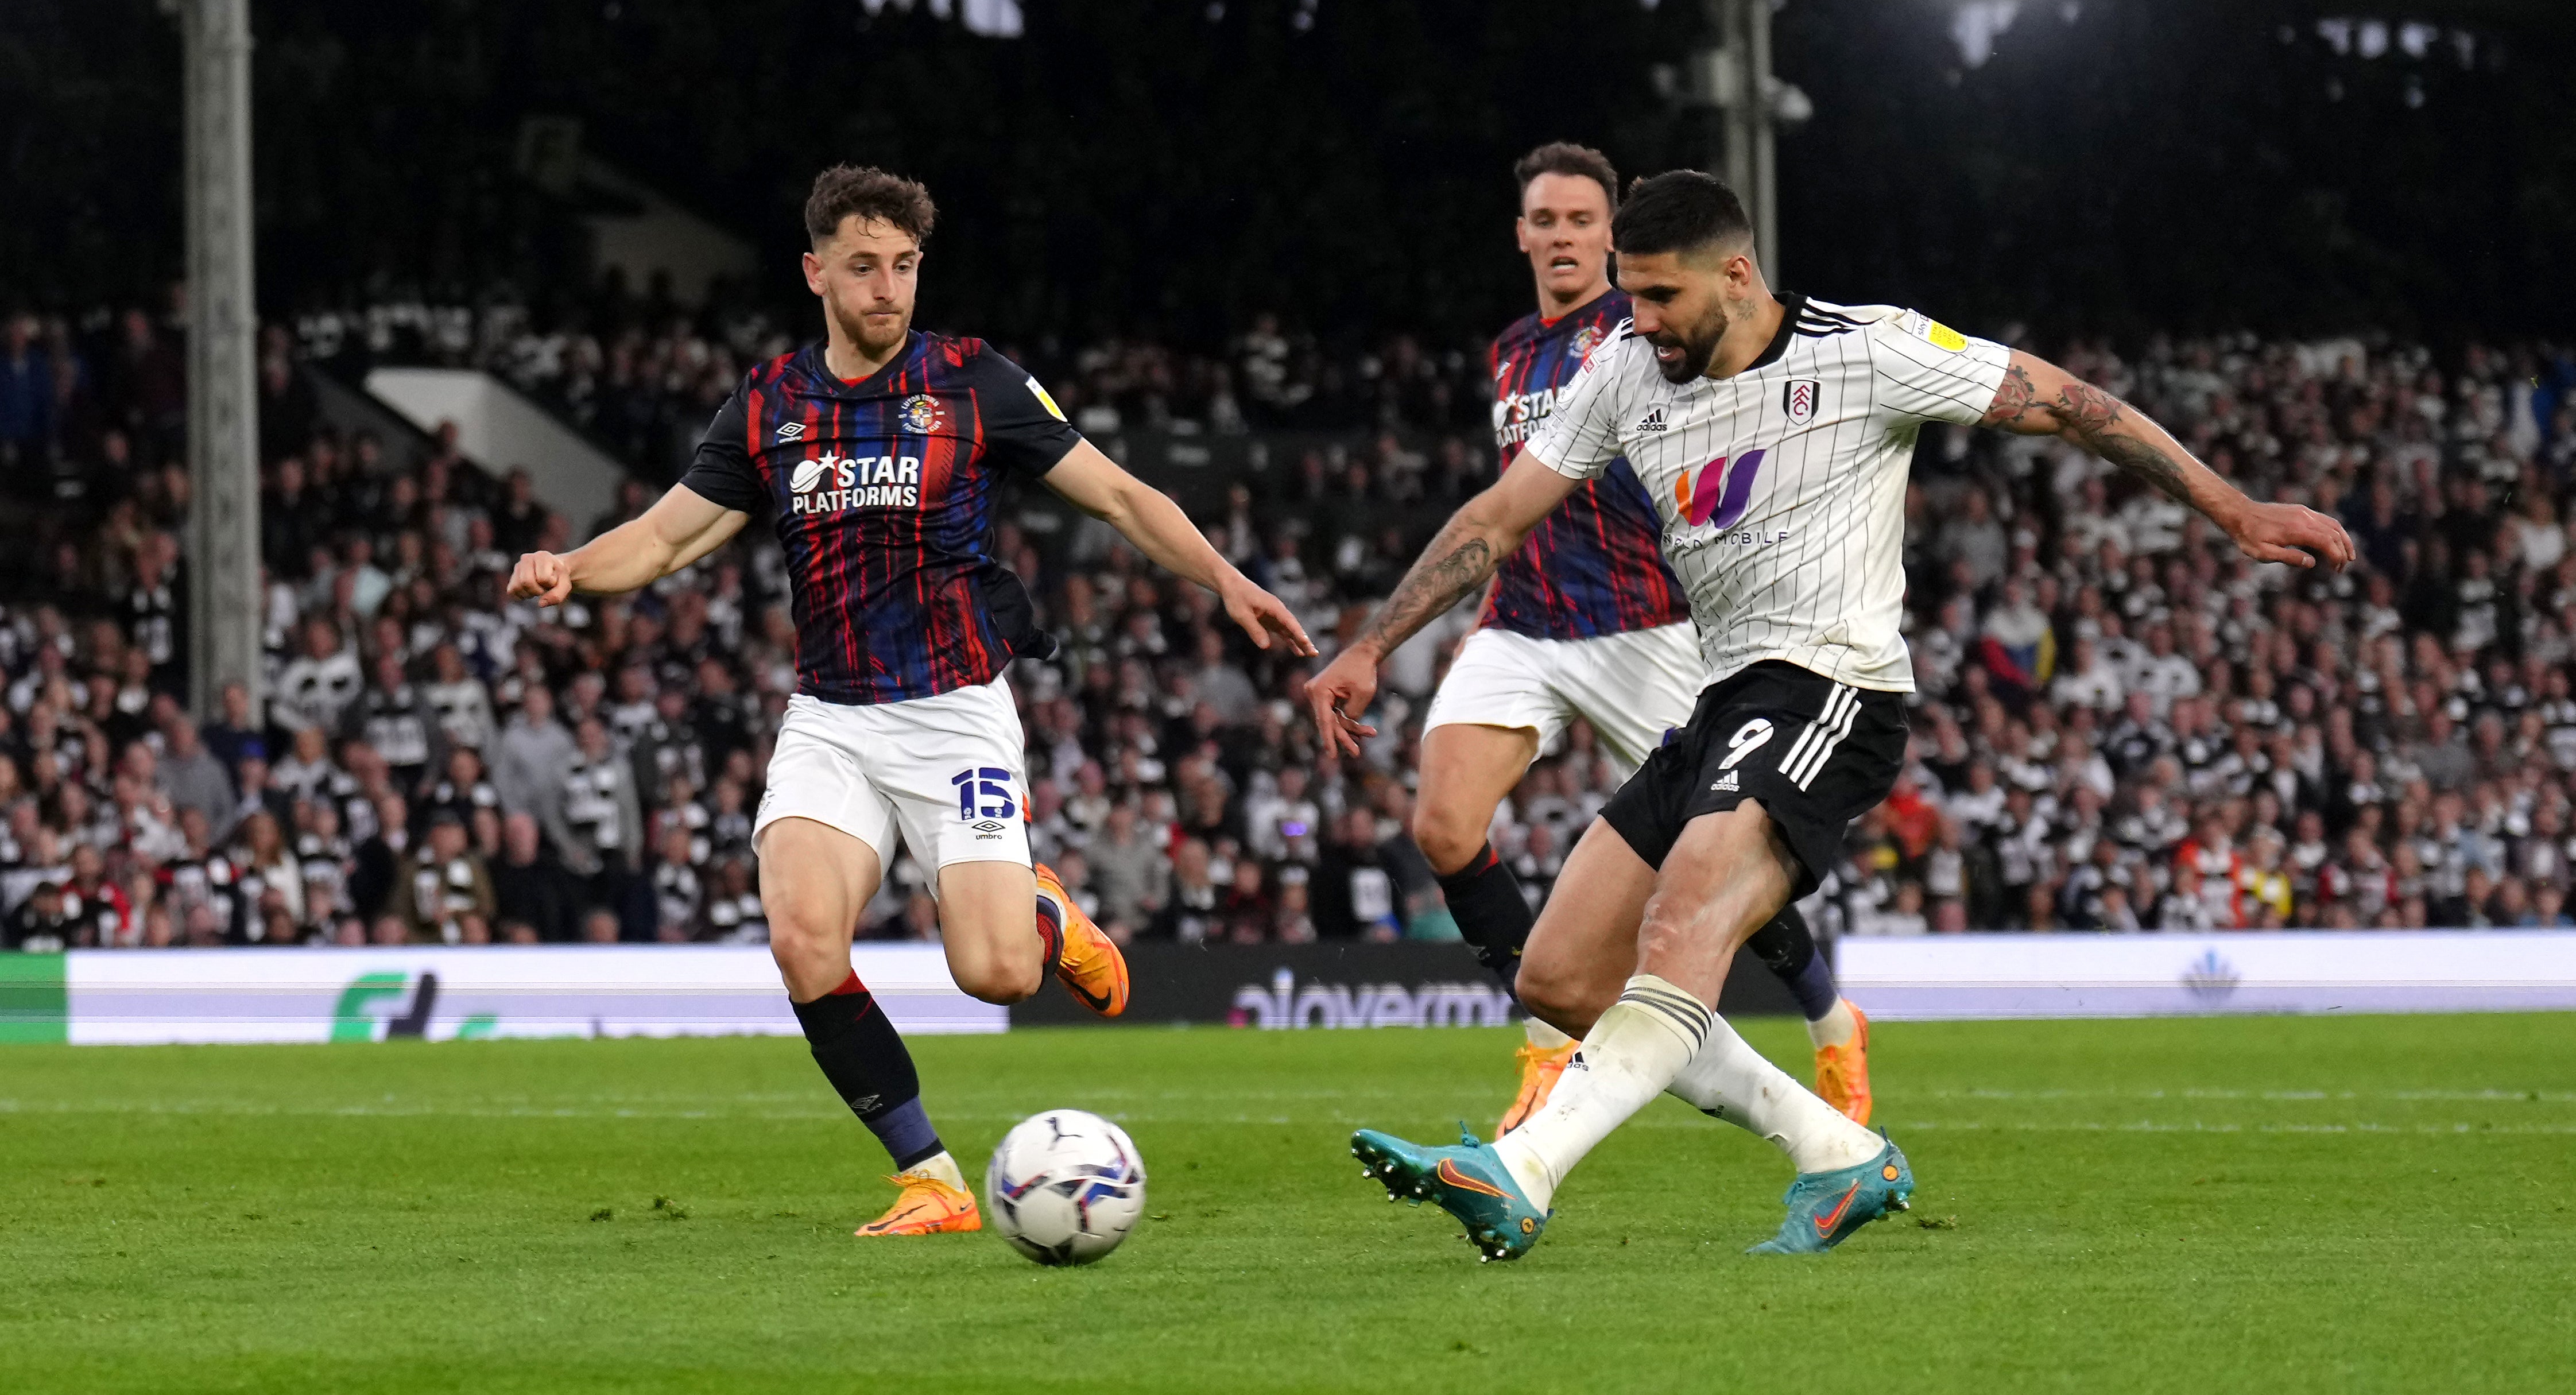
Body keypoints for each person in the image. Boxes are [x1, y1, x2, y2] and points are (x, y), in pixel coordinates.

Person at [1308, 169, 2351, 1261]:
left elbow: (2076, 405)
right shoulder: (1625, 370)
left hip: (1833, 690)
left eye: (1660, 296)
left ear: (1738, 275)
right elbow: (1501, 513)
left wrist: (2234, 509)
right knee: (1560, 979)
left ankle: (1522, 1170)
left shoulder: (1869, 350)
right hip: (1722, 699)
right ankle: (1838, 1153)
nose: (1640, 319)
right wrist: (1375, 645)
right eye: (1632, 293)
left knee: (1682, 926)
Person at [508, 164, 1312, 1238]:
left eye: (903, 267)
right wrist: (570, 566)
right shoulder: (770, 407)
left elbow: (1119, 493)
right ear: (816, 273)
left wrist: (1226, 578)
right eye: (863, 268)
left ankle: (1040, 910)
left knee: (995, 976)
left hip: (955, 713)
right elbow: (663, 537)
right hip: (833, 720)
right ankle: (929, 1176)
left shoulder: (974, 384)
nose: (887, 289)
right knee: (801, 935)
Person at [1407, 141, 1873, 1139]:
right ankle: (1544, 1045)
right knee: (1444, 825)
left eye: (1583, 222)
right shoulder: (1511, 351)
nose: (1563, 237)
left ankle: (1834, 1022)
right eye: (1545, 221)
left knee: (1723, 853)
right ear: (1522, 234)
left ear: (1613, 236)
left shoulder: (1651, 328)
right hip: (1526, 621)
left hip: (1645, 624)